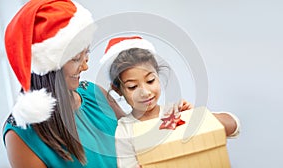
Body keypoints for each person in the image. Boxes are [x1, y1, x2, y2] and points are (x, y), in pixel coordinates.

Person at [2, 0, 124, 167]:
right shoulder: (21, 135)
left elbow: (141, 135)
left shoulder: (95, 94)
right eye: (76, 59)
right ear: (45, 66)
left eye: (86, 53)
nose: (85, 66)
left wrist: (168, 115)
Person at [100, 36, 240, 167]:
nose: (145, 92)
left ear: (158, 76)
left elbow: (233, 125)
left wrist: (196, 118)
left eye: (150, 81)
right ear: (118, 90)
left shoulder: (176, 112)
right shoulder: (126, 130)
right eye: (133, 87)